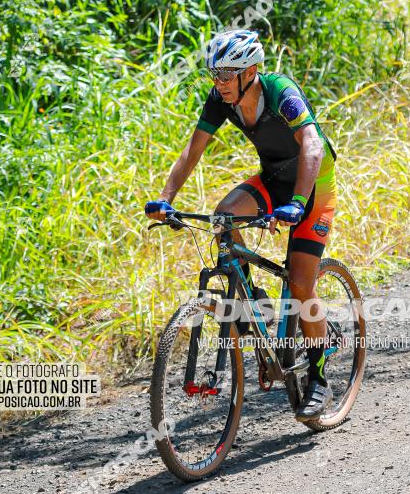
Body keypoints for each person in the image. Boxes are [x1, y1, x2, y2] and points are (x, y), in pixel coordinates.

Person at [144, 28, 338, 421]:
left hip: (312, 184)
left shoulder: (281, 91)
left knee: (301, 283)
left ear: (249, 71)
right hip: (272, 178)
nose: (219, 84)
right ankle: (254, 304)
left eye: (226, 75)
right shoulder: (221, 99)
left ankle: (319, 377)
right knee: (223, 216)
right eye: (214, 75)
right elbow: (192, 150)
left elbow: (312, 145)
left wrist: (298, 204)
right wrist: (166, 199)